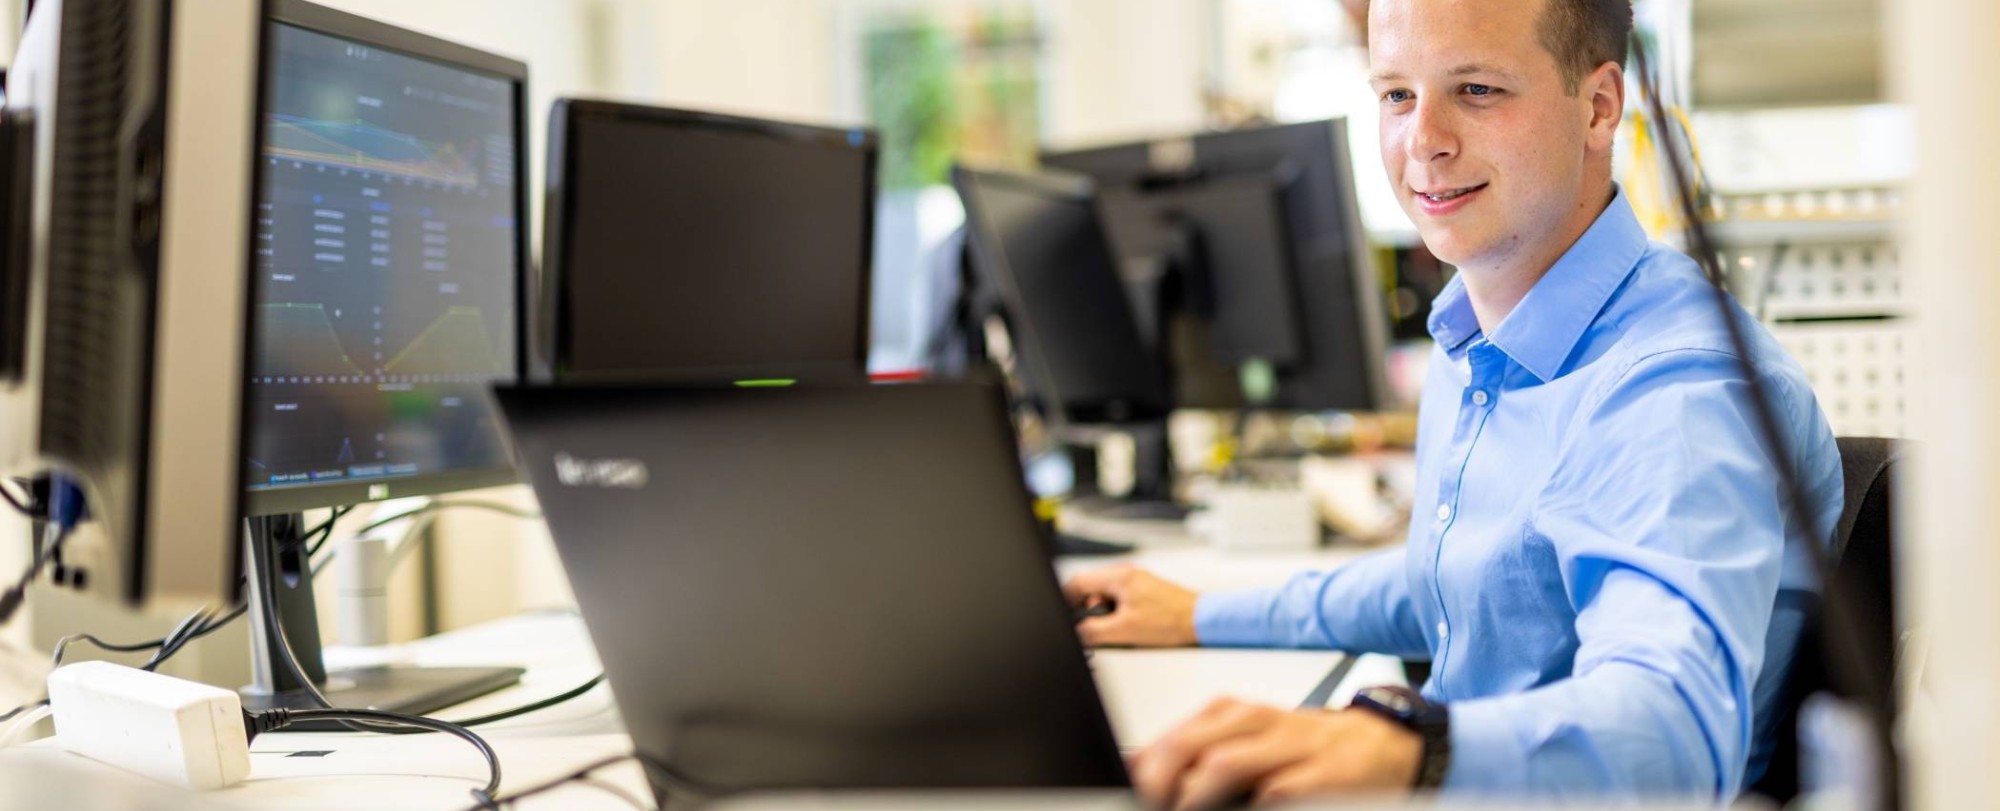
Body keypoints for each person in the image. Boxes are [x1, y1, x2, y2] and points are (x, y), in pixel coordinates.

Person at [1061, 0, 1843, 806]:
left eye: (1475, 89)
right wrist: (1199, 613)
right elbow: (1463, 585)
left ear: (1600, 106)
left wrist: (1404, 748)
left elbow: (1672, 731)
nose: (1422, 140)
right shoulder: (1475, 335)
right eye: (1397, 94)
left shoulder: (1676, 388)